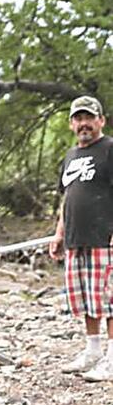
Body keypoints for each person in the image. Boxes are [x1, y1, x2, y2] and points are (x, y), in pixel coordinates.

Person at [49, 95, 113, 381]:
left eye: (89, 117)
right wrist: (59, 232)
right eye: (78, 118)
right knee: (86, 298)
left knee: (108, 298)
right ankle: (93, 349)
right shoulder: (70, 156)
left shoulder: (110, 149)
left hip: (104, 237)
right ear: (71, 123)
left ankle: (112, 356)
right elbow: (67, 198)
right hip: (76, 237)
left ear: (101, 120)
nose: (84, 123)